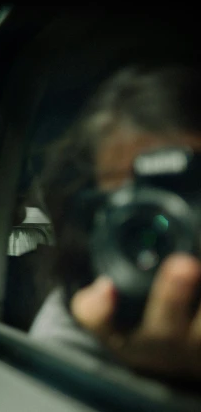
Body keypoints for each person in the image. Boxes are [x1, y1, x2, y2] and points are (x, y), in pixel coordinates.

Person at [30, 63, 201, 383]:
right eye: (137, 213)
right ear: (90, 222)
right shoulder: (72, 328)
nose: (172, 227)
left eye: (194, 197)